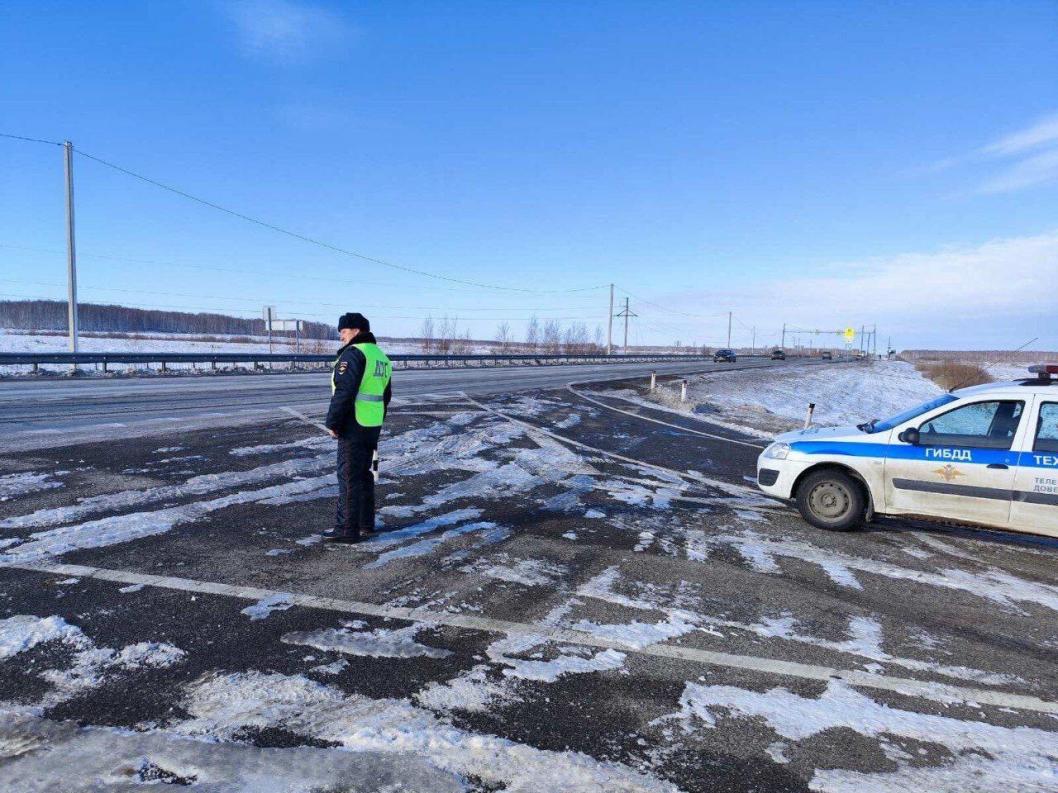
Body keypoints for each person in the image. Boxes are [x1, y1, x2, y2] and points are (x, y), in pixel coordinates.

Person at [322, 312, 392, 543]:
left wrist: (333, 422)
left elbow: (344, 391)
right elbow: (386, 395)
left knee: (349, 476)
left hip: (353, 423)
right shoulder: (380, 356)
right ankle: (365, 523)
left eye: (343, 331)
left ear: (356, 330)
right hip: (373, 424)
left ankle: (346, 529)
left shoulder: (353, 354)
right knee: (366, 474)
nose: (341, 336)